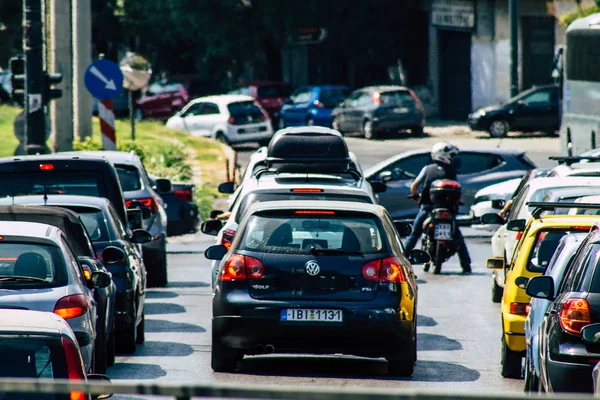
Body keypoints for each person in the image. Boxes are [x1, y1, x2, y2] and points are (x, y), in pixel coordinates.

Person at [403, 142, 472, 274]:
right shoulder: (451, 172)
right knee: (458, 236)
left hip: (429, 208)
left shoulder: (427, 169)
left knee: (414, 234)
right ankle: (466, 265)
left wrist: (415, 196)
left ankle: (401, 261)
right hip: (448, 210)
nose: (452, 158)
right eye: (451, 155)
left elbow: (414, 186)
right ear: (443, 155)